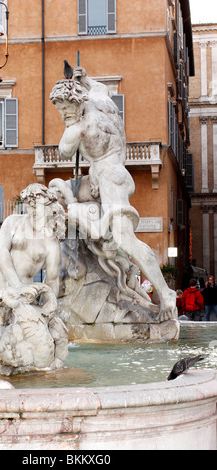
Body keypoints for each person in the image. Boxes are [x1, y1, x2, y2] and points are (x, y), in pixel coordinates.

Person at [50, 67, 176, 322]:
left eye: (64, 110)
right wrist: (83, 79)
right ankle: (74, 264)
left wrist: (71, 123)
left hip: (110, 178)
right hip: (107, 173)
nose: (63, 115)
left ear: (74, 105)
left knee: (125, 239)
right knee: (57, 190)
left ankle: (165, 292)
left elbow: (63, 151)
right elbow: (100, 86)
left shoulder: (79, 126)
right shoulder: (99, 97)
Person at [0, 183, 66, 310]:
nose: (32, 211)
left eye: (36, 206)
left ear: (47, 207)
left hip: (23, 293)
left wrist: (48, 307)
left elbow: (52, 279)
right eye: (29, 206)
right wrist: (16, 284)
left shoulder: (51, 242)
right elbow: (1, 250)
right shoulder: (13, 221)